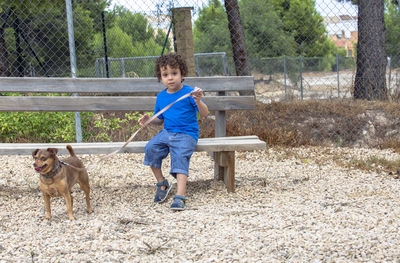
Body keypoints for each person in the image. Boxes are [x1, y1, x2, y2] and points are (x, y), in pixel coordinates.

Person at [138, 53, 208, 211]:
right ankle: (162, 183)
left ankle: (180, 196)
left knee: (180, 156)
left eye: (174, 73)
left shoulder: (190, 93)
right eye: (165, 74)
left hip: (186, 133)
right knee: (151, 148)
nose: (170, 78)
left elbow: (204, 114)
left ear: (182, 75)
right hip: (167, 132)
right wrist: (149, 120)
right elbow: (160, 120)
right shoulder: (161, 97)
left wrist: (198, 100)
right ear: (160, 77)